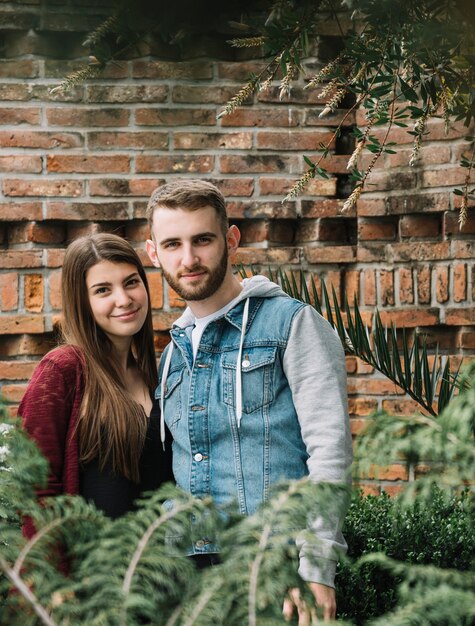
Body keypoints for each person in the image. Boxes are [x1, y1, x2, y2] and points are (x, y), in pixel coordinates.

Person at [145, 179, 353, 623]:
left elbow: (329, 452)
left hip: (275, 573)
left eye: (203, 239)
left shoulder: (292, 324)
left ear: (231, 240)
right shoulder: (172, 356)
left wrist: (316, 569)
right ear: (153, 253)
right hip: (190, 585)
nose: (189, 258)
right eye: (173, 244)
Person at [19, 233, 172, 533]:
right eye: (103, 290)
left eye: (131, 282)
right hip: (91, 574)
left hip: (160, 572)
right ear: (82, 302)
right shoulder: (62, 371)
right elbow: (36, 493)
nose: (124, 299)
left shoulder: (157, 374)